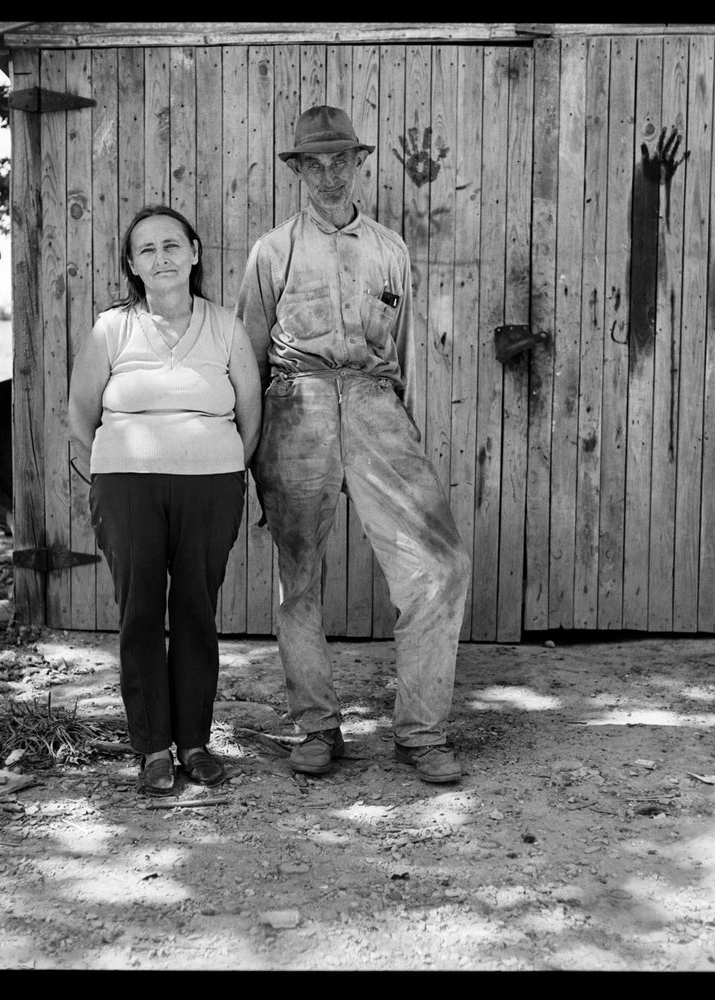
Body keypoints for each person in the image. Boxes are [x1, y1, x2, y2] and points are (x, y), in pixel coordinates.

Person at [236, 106, 471, 784]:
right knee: (298, 576)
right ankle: (316, 727)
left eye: (342, 159)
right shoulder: (272, 252)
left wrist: (401, 425)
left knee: (440, 565)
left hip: (373, 403)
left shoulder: (391, 250)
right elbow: (247, 358)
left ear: (360, 163)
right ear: (300, 170)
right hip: (294, 406)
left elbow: (400, 357)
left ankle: (422, 733)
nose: (330, 173)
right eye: (316, 161)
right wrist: (250, 452)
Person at [68, 205, 261, 795]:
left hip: (211, 485)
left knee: (197, 611)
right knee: (141, 611)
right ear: (132, 264)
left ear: (195, 253)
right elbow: (80, 416)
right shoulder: (112, 329)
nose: (161, 258)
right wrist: (120, 464)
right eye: (147, 249)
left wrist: (217, 461)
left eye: (172, 245)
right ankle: (152, 746)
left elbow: (251, 417)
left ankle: (196, 743)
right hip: (128, 487)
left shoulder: (226, 326)